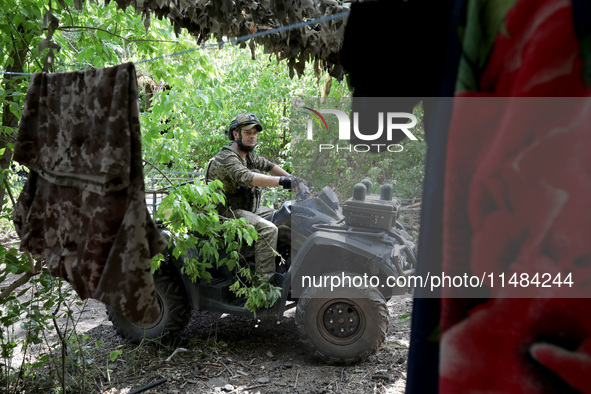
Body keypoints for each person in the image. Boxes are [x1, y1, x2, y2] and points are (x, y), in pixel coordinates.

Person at [205, 112, 303, 284]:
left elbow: (270, 166)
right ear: (236, 134)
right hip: (226, 214)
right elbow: (246, 177)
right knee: (269, 229)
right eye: (248, 133)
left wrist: (296, 182)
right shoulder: (226, 157)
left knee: (282, 217)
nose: (252, 137)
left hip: (246, 209)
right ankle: (263, 288)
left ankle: (282, 267)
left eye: (255, 133)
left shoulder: (248, 155)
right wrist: (283, 181)